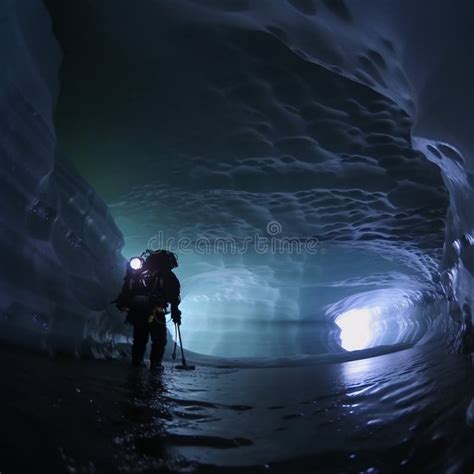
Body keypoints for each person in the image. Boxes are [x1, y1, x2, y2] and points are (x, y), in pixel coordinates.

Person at [114, 250, 182, 369]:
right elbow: (174, 297)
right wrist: (175, 313)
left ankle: (137, 360)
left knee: (140, 337)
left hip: (138, 309)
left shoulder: (138, 272)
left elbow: (127, 288)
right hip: (156, 310)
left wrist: (123, 302)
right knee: (158, 339)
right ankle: (155, 363)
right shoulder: (168, 275)